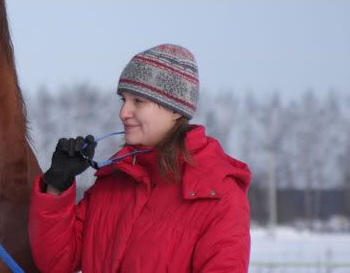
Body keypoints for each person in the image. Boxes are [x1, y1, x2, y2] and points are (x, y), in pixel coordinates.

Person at [29, 44, 251, 272]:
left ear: (175, 109)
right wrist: (57, 184)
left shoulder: (218, 196)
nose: (123, 112)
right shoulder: (114, 180)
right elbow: (58, 262)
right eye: (123, 100)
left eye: (138, 101)